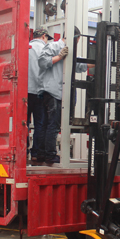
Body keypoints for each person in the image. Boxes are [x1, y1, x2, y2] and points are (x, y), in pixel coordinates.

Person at [38, 27, 91, 165]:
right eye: (77, 40)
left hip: (60, 92)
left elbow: (78, 66)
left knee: (51, 124)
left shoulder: (71, 51)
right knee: (53, 124)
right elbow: (42, 62)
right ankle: (49, 154)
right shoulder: (54, 46)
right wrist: (59, 57)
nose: (77, 43)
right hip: (53, 91)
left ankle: (43, 153)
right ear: (75, 37)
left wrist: (95, 61)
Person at [27, 28, 51, 164]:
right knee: (40, 124)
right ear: (43, 36)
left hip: (25, 91)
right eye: (47, 38)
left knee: (24, 123)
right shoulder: (45, 49)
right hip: (40, 92)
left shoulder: (26, 48)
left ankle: (23, 151)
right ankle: (35, 153)